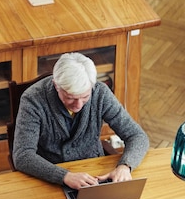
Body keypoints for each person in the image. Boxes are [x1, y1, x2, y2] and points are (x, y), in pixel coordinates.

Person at [12, 53, 149, 189]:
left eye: (85, 96)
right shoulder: (32, 99)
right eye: (70, 97)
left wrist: (125, 166)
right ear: (56, 85)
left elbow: (137, 136)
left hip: (94, 172)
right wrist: (64, 176)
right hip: (49, 177)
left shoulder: (100, 93)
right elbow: (23, 155)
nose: (78, 105)